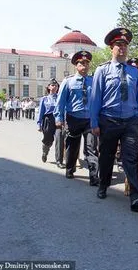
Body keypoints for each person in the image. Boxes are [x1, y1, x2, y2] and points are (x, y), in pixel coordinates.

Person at [90, 27, 138, 214]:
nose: (122, 48)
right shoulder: (102, 70)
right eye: (118, 45)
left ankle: (135, 198)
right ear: (111, 48)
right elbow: (95, 98)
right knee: (107, 156)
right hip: (108, 120)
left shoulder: (134, 73)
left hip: (130, 121)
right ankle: (103, 185)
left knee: (130, 158)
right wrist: (94, 123)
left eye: (125, 45)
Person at [54, 51, 99, 186]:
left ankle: (93, 176)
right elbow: (61, 102)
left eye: (86, 63)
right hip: (73, 118)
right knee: (72, 146)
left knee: (91, 147)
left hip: (90, 120)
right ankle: (70, 169)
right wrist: (59, 118)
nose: (84, 66)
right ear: (76, 65)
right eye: (81, 63)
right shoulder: (68, 81)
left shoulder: (94, 81)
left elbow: (98, 100)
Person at [37, 79, 64, 167]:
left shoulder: (60, 97)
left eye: (56, 85)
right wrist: (39, 124)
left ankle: (59, 161)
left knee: (59, 138)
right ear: (48, 87)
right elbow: (41, 112)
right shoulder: (44, 99)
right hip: (48, 120)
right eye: (52, 85)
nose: (54, 87)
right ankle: (45, 152)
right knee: (48, 140)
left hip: (58, 120)